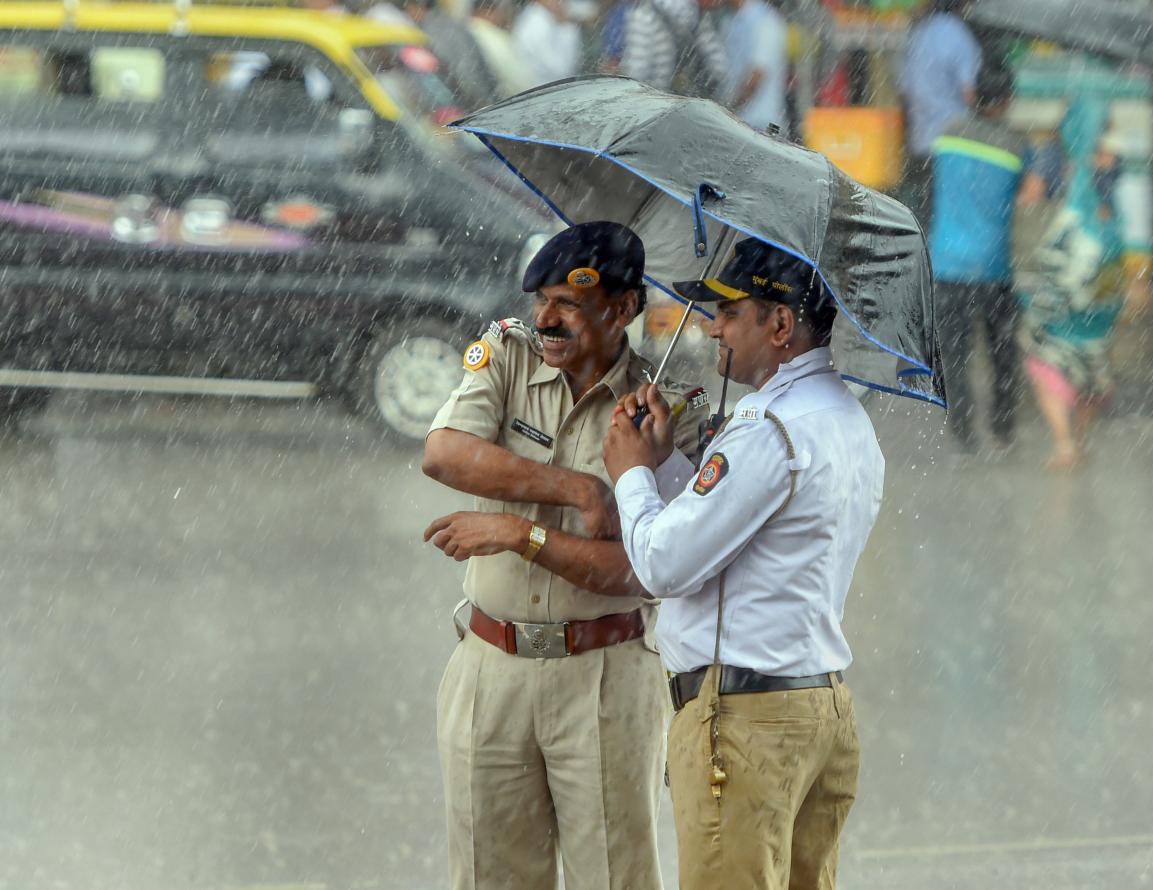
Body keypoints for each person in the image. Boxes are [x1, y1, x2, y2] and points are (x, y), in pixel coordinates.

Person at [421, 221, 708, 890]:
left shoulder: (670, 415)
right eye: (540, 301)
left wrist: (523, 535)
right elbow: (443, 452)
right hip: (491, 667)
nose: (546, 319)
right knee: (490, 877)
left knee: (615, 878)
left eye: (568, 305)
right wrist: (574, 487)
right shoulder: (508, 356)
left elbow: (642, 569)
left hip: (606, 677)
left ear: (623, 309)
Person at [602, 237, 884, 890]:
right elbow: (747, 538)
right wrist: (670, 461)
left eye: (730, 313)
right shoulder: (844, 417)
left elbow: (666, 564)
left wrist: (631, 476)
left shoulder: (768, 427)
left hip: (747, 723)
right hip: (818, 707)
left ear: (781, 325)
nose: (711, 326)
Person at [929, 64, 1040, 454]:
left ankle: (963, 432)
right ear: (1008, 100)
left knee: (955, 355)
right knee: (1003, 353)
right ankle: (1002, 428)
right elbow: (1030, 194)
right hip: (993, 268)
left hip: (945, 264)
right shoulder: (1015, 146)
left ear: (972, 95)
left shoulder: (947, 135)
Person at [1022, 121, 1134, 471]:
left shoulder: (1074, 183)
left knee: (1043, 365)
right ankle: (1077, 442)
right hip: (1101, 294)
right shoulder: (1110, 182)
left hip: (1075, 290)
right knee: (1090, 370)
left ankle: (1066, 443)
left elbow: (1034, 198)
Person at [897, 0, 981, 227]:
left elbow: (904, 89)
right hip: (952, 147)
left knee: (923, 220)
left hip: (920, 144)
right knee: (950, 222)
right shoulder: (959, 35)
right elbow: (970, 92)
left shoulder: (919, 33)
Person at [400, 0, 500, 111]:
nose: (409, 15)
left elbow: (465, 65)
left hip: (479, 93)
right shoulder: (442, 23)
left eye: (408, 10)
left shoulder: (436, 29)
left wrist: (479, 98)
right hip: (482, 88)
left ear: (419, 6)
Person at [620, 0, 725, 98]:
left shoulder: (699, 17)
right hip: (656, 96)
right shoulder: (646, 14)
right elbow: (637, 69)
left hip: (660, 97)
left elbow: (718, 66)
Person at [719, 0, 788, 131]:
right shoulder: (729, 18)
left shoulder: (765, 21)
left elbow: (757, 76)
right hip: (740, 123)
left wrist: (727, 111)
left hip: (762, 125)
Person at [468, 0, 537, 97]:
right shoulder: (489, 36)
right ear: (487, 11)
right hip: (516, 99)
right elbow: (518, 80)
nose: (503, 16)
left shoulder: (467, 32)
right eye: (501, 11)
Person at [512, 0, 582, 86]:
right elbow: (562, 70)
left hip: (549, 88)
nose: (563, 3)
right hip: (545, 90)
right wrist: (568, 27)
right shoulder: (537, 24)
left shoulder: (542, 18)